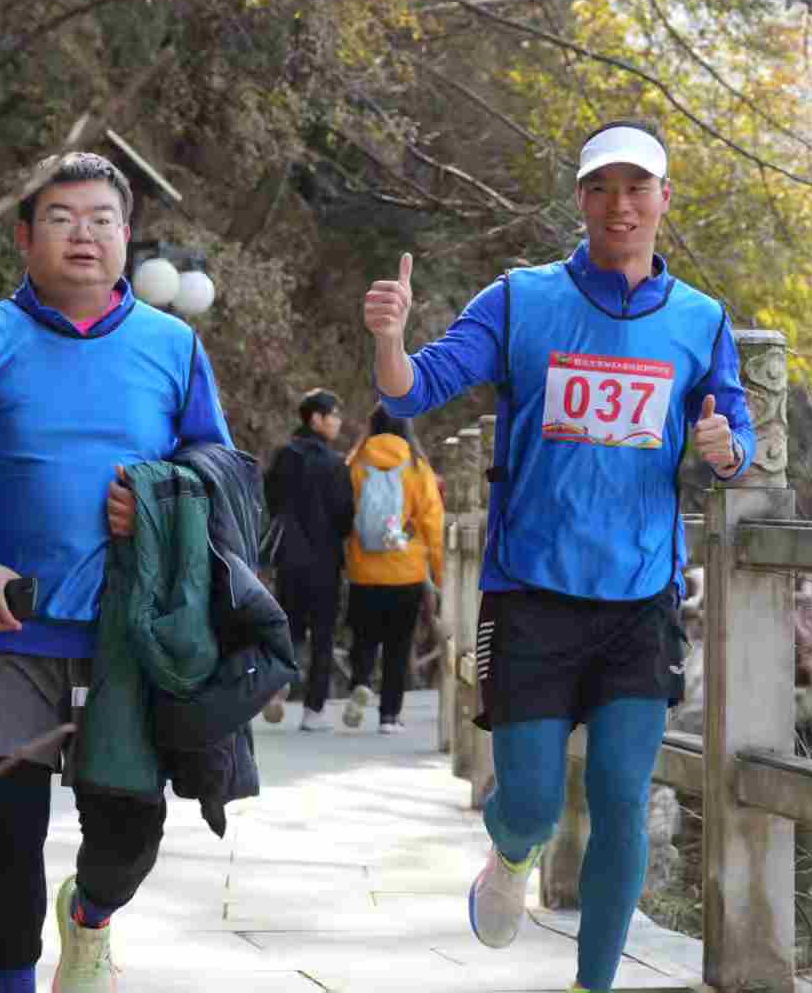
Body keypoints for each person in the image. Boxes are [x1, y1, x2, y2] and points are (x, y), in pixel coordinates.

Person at [361, 121, 756, 993]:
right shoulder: (520, 300)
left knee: (621, 795)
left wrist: (725, 447)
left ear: (662, 198)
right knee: (532, 801)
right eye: (602, 187)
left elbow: (736, 438)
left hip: (639, 597)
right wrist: (388, 339)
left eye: (637, 187)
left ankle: (592, 983)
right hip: (530, 592)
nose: (620, 205)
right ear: (580, 198)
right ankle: (510, 854)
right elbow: (415, 387)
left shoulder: (699, 320)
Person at [0, 151, 233, 993]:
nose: (84, 235)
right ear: (24, 236)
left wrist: (160, 498)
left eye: (102, 220)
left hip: (130, 637)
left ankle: (91, 915)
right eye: (62, 218)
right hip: (8, 631)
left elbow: (218, 471)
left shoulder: (173, 346)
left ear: (126, 236)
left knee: (129, 832)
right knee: (6, 832)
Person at [341, 405, 446, 734]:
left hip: (363, 570)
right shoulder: (417, 467)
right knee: (398, 646)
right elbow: (432, 524)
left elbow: (342, 515)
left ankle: (361, 682)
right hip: (406, 571)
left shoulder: (356, 464)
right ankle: (389, 716)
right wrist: (440, 574)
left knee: (364, 637)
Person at [261, 388, 353, 731]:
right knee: (323, 636)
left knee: (289, 629)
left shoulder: (283, 457)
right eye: (334, 415)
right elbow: (345, 517)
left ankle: (278, 686)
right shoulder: (335, 464)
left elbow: (271, 501)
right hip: (325, 560)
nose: (338, 421)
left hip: (290, 559)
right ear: (316, 418)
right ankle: (314, 711)